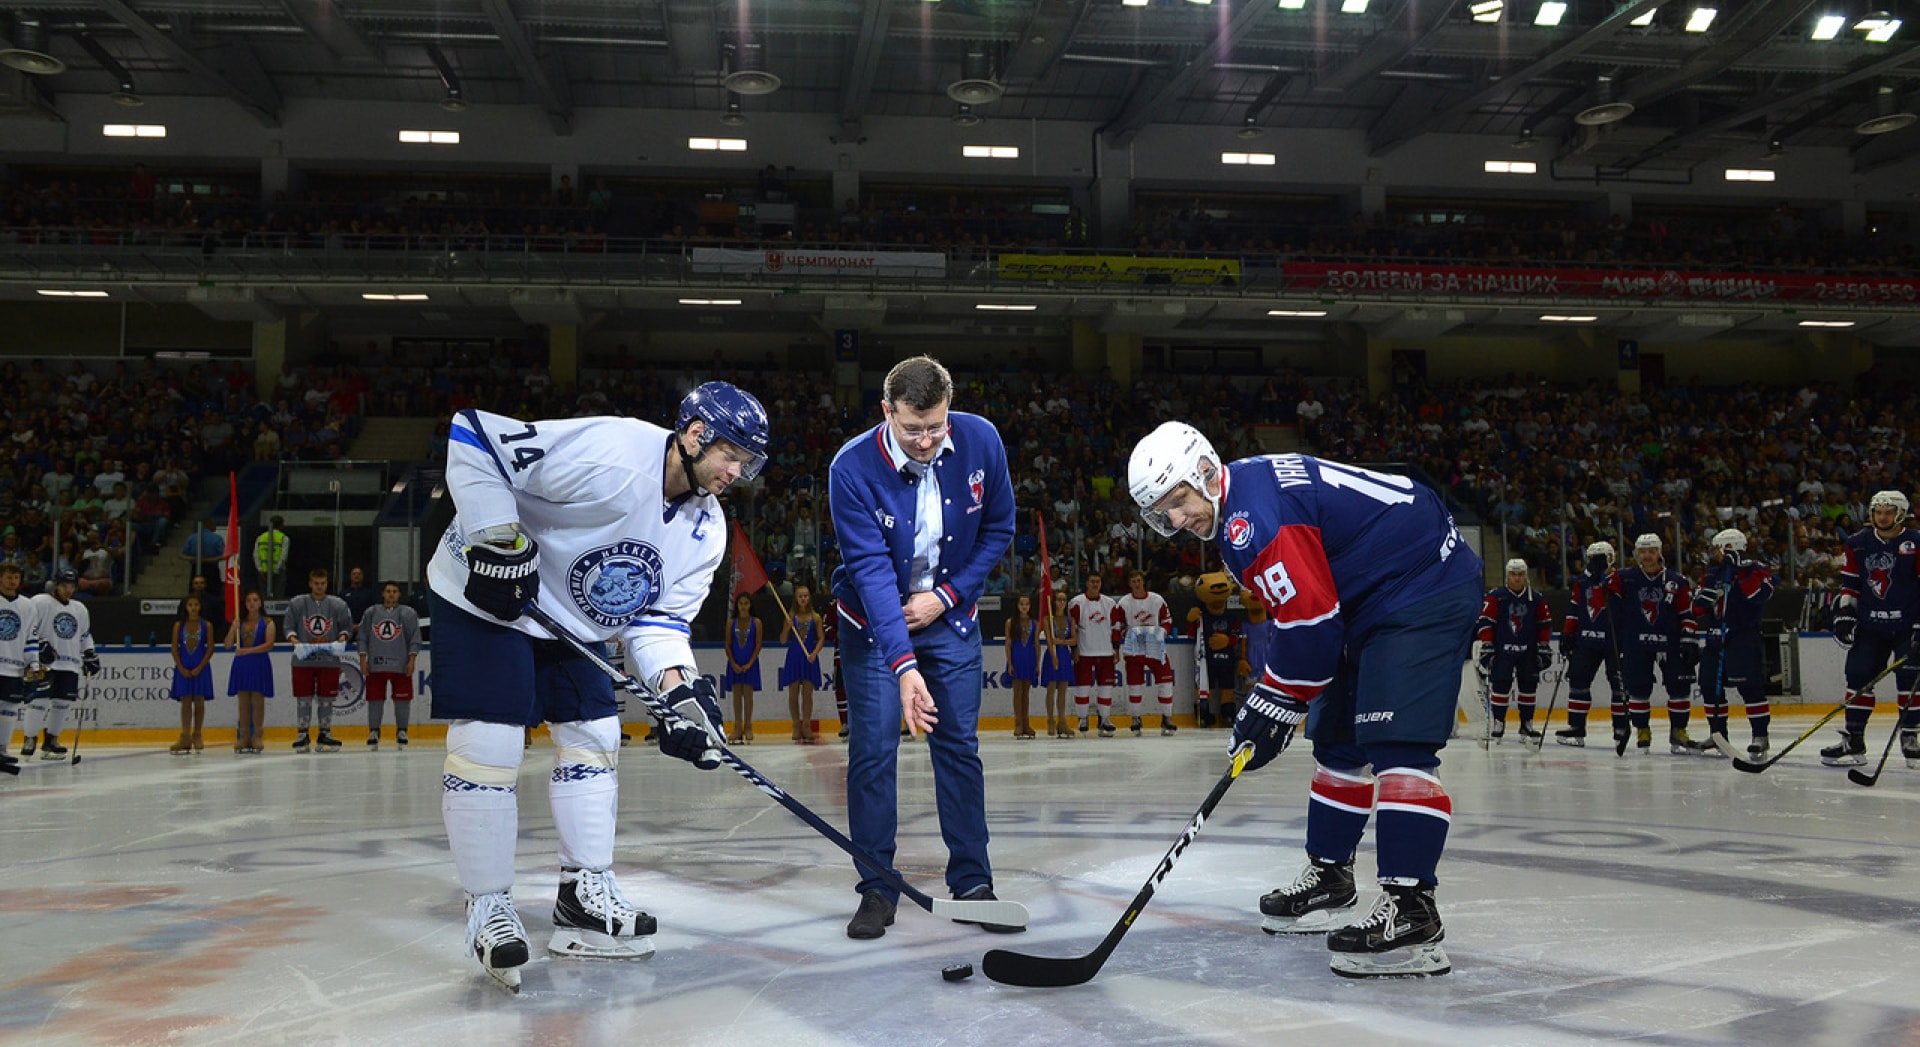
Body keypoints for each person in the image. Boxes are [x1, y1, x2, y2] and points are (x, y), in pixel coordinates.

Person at [427, 381, 767, 990]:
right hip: (489, 600)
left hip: (574, 624)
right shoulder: (612, 451)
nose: (737, 472)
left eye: (747, 462)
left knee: (595, 735)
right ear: (694, 435)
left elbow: (658, 622)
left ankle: (580, 898)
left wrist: (682, 694)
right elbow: (474, 434)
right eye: (731, 455)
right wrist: (496, 537)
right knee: (491, 742)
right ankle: (487, 905)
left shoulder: (706, 531)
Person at [1128, 424, 1481, 978]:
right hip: (1364, 596)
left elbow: (1312, 629)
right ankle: (1331, 876)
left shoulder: (1253, 522)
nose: (1175, 522)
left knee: (1397, 745)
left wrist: (1271, 702)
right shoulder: (1236, 503)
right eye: (1161, 513)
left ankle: (1414, 911)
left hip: (1421, 583)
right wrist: (1272, 701)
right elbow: (1305, 619)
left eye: (1177, 502)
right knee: (1337, 738)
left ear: (1203, 471)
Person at [828, 355, 1016, 940]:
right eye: (913, 428)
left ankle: (973, 880)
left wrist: (948, 596)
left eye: (937, 425)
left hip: (950, 620)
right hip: (872, 625)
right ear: (887, 413)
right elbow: (870, 573)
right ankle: (878, 888)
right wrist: (903, 665)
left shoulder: (981, 441)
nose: (927, 439)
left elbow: (1000, 528)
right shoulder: (852, 468)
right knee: (873, 754)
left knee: (959, 747)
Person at [1823, 490, 1920, 766]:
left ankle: (1910, 736)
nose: (1883, 517)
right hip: (1870, 625)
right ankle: (1854, 739)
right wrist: (1845, 614)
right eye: (1878, 512)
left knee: (1910, 681)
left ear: (1900, 514)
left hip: (1907, 625)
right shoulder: (1857, 543)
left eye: (1889, 512)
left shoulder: (1916, 542)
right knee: (1857, 677)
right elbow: (1850, 584)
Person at [1603, 535, 1705, 755]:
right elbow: (1602, 591)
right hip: (1636, 643)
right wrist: (1599, 573)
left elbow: (1686, 612)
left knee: (1679, 689)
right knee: (1638, 689)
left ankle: (1678, 731)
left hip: (1671, 642)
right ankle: (1642, 730)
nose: (1647, 556)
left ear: (1660, 552)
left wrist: (1689, 639)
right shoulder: (1625, 578)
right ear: (1637, 554)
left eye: (1651, 551)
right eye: (1642, 551)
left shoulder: (1676, 580)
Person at [1694, 529, 1776, 762]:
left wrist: (1741, 573)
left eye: (1718, 548)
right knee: (1709, 687)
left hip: (1743, 635)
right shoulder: (1713, 573)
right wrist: (1702, 599)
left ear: (1729, 547)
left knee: (1749, 687)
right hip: (1715, 636)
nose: (1715, 553)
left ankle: (1760, 736)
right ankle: (1717, 735)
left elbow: (1759, 596)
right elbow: (1697, 607)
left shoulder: (1756, 569)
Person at [1473, 559, 1552, 744]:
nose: (1517, 579)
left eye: (1520, 575)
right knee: (1500, 686)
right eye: (1513, 575)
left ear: (1525, 576)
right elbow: (1485, 622)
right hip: (1502, 650)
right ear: (1507, 576)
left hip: (1528, 650)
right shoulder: (1496, 596)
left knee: (1528, 687)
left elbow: (1544, 624)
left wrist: (1543, 646)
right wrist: (1487, 645)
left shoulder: (1536, 598)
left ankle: (1527, 724)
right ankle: (1498, 723)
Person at [24, 568, 99, 760]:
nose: (68, 590)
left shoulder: (79, 609)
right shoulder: (40, 602)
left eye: (72, 586)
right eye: (64, 585)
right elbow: (28, 626)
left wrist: (89, 653)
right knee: (38, 700)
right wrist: (39, 645)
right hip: (44, 663)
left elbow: (84, 635)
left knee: (62, 703)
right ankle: (29, 738)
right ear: (55, 585)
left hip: (70, 663)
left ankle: (51, 740)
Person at [1555, 541, 1624, 748]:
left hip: (1614, 641)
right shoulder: (1582, 582)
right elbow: (1575, 608)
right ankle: (1577, 727)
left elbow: (1620, 596)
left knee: (1618, 684)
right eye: (1593, 558)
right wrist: (1568, 633)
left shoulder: (1621, 579)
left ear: (1611, 558)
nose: (1595, 562)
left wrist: (1604, 578)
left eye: (1600, 558)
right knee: (1578, 681)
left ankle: (1620, 727)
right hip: (1586, 640)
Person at [283, 567, 354, 752]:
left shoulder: (338, 604)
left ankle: (325, 733)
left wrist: (341, 639)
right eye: (316, 583)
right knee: (303, 698)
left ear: (327, 584)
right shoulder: (298, 603)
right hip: (303, 659)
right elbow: (288, 626)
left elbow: (346, 628)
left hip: (328, 659)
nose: (319, 587)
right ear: (310, 583)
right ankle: (302, 733)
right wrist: (295, 641)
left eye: (323, 584)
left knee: (327, 699)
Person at [359, 581, 422, 750]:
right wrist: (363, 659)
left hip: (400, 664)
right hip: (375, 665)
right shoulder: (371, 613)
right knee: (375, 700)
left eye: (394, 591)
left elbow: (414, 639)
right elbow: (363, 637)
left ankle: (402, 730)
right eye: (388, 591)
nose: (391, 594)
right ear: (383, 594)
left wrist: (412, 660)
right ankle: (374, 731)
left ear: (399, 594)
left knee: (402, 700)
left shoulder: (408, 614)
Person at [1116, 569, 1178, 735]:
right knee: (1134, 685)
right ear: (1130, 584)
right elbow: (1118, 626)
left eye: (1139, 580)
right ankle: (1136, 719)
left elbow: (1167, 622)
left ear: (1143, 582)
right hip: (1133, 647)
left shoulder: (1157, 600)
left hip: (1155, 645)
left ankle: (1167, 718)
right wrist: (1130, 632)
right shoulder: (1123, 603)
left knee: (1165, 683)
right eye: (1133, 581)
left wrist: (1160, 632)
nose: (1136, 584)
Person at [1067, 574, 1123, 736]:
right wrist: (1075, 649)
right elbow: (1073, 628)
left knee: (1106, 688)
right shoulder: (1077, 603)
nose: (1095, 584)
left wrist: (1116, 649)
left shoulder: (1110, 603)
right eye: (1092, 581)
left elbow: (1116, 627)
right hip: (1084, 652)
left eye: (1098, 582)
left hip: (1106, 652)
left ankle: (1104, 719)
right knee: (1082, 687)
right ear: (1086, 583)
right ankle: (1083, 719)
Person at [226, 589, 275, 754]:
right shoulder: (239, 622)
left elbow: (269, 645)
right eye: (249, 600)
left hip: (258, 663)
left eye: (255, 600)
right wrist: (233, 629)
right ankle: (244, 736)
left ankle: (257, 736)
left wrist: (248, 651)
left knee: (257, 700)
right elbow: (227, 645)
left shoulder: (267, 622)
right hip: (242, 665)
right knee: (243, 703)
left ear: (260, 603)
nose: (252, 603)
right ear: (245, 604)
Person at [168, 593, 215, 754]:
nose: (193, 608)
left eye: (196, 604)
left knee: (199, 700)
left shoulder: (207, 625)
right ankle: (185, 735)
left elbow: (210, 648)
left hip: (200, 666)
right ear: (185, 607)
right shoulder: (178, 626)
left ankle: (198, 734)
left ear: (200, 607)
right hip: (184, 665)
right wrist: (180, 667)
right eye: (190, 605)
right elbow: (174, 648)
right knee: (186, 700)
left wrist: (200, 666)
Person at [0, 560, 36, 767]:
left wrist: (34, 665)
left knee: (9, 709)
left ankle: (2, 750)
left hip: (13, 668)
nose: (13, 581)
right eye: (8, 577)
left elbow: (31, 638)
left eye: (16, 577)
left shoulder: (27, 605)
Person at [779, 585, 826, 743]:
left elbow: (821, 638)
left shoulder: (816, 617)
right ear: (796, 599)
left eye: (806, 595)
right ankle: (795, 725)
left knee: (807, 694)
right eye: (800, 596)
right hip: (794, 656)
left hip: (809, 657)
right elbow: (783, 640)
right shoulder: (791, 617)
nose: (803, 599)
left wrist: (815, 653)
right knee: (793, 694)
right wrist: (787, 626)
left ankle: (806, 724)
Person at [721, 592, 762, 745]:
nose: (743, 606)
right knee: (737, 695)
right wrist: (733, 663)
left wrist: (750, 663)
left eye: (746, 603)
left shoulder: (756, 622)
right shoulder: (731, 623)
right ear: (737, 606)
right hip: (735, 662)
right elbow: (727, 644)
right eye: (741, 603)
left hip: (750, 663)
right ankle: (737, 727)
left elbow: (758, 645)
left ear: (750, 605)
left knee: (748, 696)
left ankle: (748, 726)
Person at [1039, 589, 1075, 738]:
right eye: (1059, 599)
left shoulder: (1070, 620)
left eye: (1064, 600)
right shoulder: (1048, 619)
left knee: (1063, 689)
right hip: (1052, 653)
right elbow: (1049, 640)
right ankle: (1050, 720)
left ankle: (1062, 720)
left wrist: (1061, 642)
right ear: (1054, 602)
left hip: (1065, 654)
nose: (1061, 602)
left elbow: (1074, 640)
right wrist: (1054, 656)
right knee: (1052, 687)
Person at [1003, 593, 1039, 739]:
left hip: (1029, 657)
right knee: (1018, 693)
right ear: (1017, 606)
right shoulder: (1011, 622)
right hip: (1017, 657)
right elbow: (1008, 643)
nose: (1024, 606)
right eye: (1022, 604)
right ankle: (1018, 723)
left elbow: (1036, 643)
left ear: (1030, 606)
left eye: (1027, 604)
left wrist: (1037, 663)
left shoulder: (1035, 623)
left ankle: (1026, 723)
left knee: (1026, 693)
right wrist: (1010, 662)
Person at [253, 516, 290, 597]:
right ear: (281, 525)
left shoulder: (260, 537)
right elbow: (283, 557)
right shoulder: (284, 538)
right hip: (279, 573)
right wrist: (276, 570)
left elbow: (256, 555)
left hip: (263, 572)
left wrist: (260, 569)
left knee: (263, 597)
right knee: (278, 597)